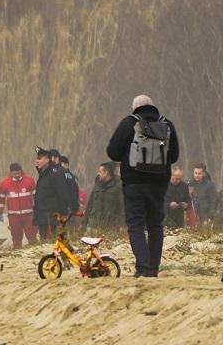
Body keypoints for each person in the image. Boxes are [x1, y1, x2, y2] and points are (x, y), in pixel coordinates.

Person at [106, 96, 180, 277]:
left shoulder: (128, 123)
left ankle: (143, 267)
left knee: (136, 225)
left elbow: (112, 152)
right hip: (159, 184)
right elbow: (174, 156)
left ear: (135, 108)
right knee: (155, 225)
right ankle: (153, 268)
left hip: (134, 183)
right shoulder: (167, 124)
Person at [32, 147, 78, 242]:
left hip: (52, 217)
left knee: (56, 242)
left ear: (48, 160)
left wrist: (64, 212)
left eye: (40, 158)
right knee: (44, 244)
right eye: (37, 158)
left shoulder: (56, 172)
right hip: (42, 217)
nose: (37, 161)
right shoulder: (44, 174)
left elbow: (62, 194)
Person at [0, 162, 36, 250]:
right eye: (15, 173)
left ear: (21, 171)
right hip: (14, 217)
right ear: (11, 173)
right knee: (16, 238)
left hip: (29, 215)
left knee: (32, 237)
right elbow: (0, 199)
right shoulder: (4, 184)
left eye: (19, 172)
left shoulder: (29, 181)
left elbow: (36, 197)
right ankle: (18, 254)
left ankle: (35, 252)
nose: (17, 175)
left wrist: (38, 210)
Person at [82, 162, 122, 235]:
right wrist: (83, 223)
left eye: (100, 171)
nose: (98, 173)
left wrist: (122, 224)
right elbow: (89, 205)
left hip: (109, 226)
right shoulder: (97, 185)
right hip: (92, 225)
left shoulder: (118, 186)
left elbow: (122, 207)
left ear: (106, 173)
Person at [164, 165, 193, 230]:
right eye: (176, 178)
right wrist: (169, 205)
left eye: (180, 179)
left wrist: (186, 205)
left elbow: (189, 203)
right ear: (171, 175)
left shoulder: (184, 186)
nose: (178, 181)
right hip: (165, 219)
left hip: (179, 221)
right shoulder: (163, 185)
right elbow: (157, 203)